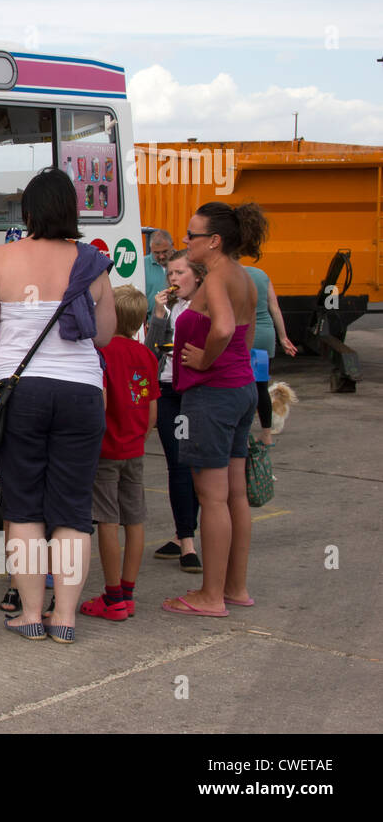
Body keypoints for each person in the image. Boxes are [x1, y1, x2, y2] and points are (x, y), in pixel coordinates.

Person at [0, 168, 115, 644]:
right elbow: (104, 335)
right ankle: (65, 617)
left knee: (23, 507)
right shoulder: (94, 264)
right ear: (71, 211)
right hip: (81, 393)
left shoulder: (1, 258)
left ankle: (29, 614)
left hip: (17, 392)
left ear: (27, 212)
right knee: (72, 509)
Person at [163, 202, 268, 618]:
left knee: (212, 496)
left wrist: (204, 360)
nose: (186, 241)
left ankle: (210, 596)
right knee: (235, 495)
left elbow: (223, 327)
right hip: (242, 389)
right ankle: (235, 587)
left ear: (215, 241)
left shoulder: (220, 277)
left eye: (192, 235)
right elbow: (240, 328)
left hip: (213, 394)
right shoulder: (242, 276)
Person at [81, 285, 158, 622]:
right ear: (141, 321)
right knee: (135, 518)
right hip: (135, 448)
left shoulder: (102, 353)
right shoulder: (147, 356)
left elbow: (102, 404)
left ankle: (111, 597)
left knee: (107, 520)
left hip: (106, 450)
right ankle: (128, 592)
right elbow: (152, 411)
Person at [146, 250, 206, 572]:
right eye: (169, 274)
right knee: (178, 462)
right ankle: (186, 541)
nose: (172, 279)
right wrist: (158, 314)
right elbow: (149, 351)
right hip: (168, 392)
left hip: (194, 391)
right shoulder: (167, 309)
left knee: (194, 463)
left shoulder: (205, 306)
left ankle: (186, 533)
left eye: (179, 273)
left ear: (197, 276)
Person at [244, 264, 298, 446]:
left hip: (244, 335)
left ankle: (241, 432)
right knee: (260, 387)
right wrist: (283, 337)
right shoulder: (261, 274)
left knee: (240, 385)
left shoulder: (228, 274)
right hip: (264, 335)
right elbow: (274, 307)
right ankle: (266, 434)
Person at [143, 230, 175, 318]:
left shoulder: (183, 262)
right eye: (156, 253)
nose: (161, 256)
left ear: (172, 246)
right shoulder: (142, 265)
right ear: (151, 249)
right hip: (152, 322)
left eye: (165, 251)